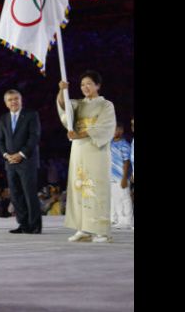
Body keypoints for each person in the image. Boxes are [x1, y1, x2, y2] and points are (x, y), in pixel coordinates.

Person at [57, 71, 116, 243]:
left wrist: (80, 134)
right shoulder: (78, 104)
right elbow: (64, 108)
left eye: (89, 83)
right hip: (78, 151)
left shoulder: (106, 105)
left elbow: (105, 128)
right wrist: (62, 90)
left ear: (98, 85)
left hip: (96, 151)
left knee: (96, 188)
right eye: (82, 84)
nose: (85, 87)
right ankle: (83, 229)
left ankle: (102, 231)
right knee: (78, 188)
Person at [0, 90, 42, 234]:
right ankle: (23, 224)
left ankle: (35, 225)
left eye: (16, 99)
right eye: (10, 100)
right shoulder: (3, 119)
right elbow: (0, 140)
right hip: (10, 163)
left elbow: (34, 137)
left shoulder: (31, 115)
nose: (13, 102)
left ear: (21, 100)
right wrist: (6, 155)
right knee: (16, 195)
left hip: (27, 161)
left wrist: (21, 154)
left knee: (29, 194)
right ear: (6, 103)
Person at [109, 125, 133, 229]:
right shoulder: (110, 143)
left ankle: (128, 220)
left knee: (125, 198)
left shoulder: (124, 144)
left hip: (121, 176)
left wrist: (124, 178)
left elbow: (127, 162)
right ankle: (120, 220)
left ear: (121, 130)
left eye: (116, 129)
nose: (113, 131)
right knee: (116, 199)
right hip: (112, 176)